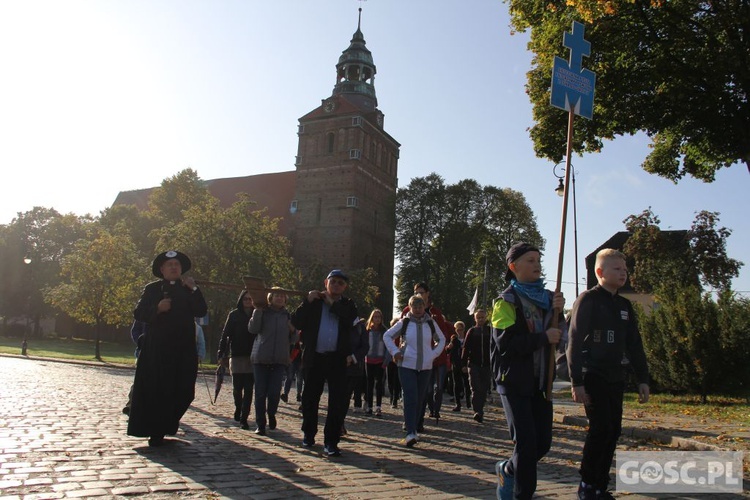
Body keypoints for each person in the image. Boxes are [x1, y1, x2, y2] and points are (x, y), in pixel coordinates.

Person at [567, 249, 650, 500]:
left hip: (616, 376)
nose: (623, 273)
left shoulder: (624, 305)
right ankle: (587, 484)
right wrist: (576, 381)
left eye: (625, 270)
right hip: (593, 375)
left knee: (613, 430)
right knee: (600, 428)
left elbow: (634, 344)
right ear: (600, 273)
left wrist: (643, 378)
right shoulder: (588, 300)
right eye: (617, 269)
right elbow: (573, 340)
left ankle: (601, 486)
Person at [490, 243, 565, 499]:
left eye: (538, 260)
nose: (537, 265)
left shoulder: (548, 299)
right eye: (530, 260)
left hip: (542, 381)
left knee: (542, 444)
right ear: (514, 267)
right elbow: (506, 344)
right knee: (526, 445)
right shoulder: (504, 302)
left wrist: (559, 311)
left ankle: (507, 469)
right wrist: (543, 338)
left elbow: (559, 336)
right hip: (513, 381)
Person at [127, 250, 208, 447]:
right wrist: (157, 309)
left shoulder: (188, 289)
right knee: (157, 391)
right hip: (158, 349)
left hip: (183, 349)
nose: (174, 267)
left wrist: (195, 290)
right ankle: (156, 431)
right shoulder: (152, 289)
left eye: (177, 265)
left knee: (185, 391)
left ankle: (169, 422)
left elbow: (201, 310)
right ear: (162, 269)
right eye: (170, 265)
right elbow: (139, 313)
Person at [291, 269, 358, 457]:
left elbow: (350, 322)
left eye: (340, 283)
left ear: (345, 287)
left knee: (337, 402)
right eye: (333, 281)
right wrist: (307, 301)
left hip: (338, 359)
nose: (336, 285)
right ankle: (309, 434)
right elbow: (297, 321)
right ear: (325, 283)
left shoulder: (348, 305)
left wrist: (331, 304)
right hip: (315, 357)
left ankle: (331, 441)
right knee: (310, 398)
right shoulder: (314, 303)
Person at [384, 294, 446, 448]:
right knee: (411, 396)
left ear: (425, 306)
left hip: (425, 366)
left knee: (420, 398)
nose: (418, 309)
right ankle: (410, 432)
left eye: (420, 306)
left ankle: (414, 426)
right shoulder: (404, 322)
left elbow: (442, 339)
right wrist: (394, 351)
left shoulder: (430, 323)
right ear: (410, 307)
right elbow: (387, 335)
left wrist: (433, 354)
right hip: (406, 365)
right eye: (415, 306)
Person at [402, 282, 453, 426]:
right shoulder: (407, 311)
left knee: (426, 391)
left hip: (429, 360)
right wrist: (398, 353)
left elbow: (442, 335)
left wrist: (435, 354)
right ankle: (410, 420)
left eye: (421, 292)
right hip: (410, 359)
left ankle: (418, 420)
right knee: (410, 391)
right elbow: (399, 333)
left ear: (427, 294)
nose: (419, 295)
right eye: (416, 292)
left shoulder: (435, 313)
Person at [249, 287, 295, 436]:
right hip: (261, 357)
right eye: (277, 295)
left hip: (279, 360)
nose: (280, 298)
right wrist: (257, 312)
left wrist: (293, 330)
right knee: (261, 393)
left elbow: (295, 340)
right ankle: (260, 424)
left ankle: (271, 413)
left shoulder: (288, 316)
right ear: (270, 297)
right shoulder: (263, 312)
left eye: (282, 296)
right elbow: (253, 329)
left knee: (274, 393)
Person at [217, 290, 256, 430]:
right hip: (237, 355)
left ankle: (244, 418)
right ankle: (238, 408)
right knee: (237, 388)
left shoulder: (256, 314)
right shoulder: (234, 315)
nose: (247, 301)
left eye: (250, 299)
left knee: (249, 389)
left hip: (252, 356)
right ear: (241, 300)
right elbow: (225, 335)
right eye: (245, 298)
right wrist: (221, 353)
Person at [461, 309, 492, 422]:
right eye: (478, 317)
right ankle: (477, 411)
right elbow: (466, 348)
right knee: (475, 387)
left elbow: (494, 347)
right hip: (473, 364)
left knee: (483, 388)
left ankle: (481, 409)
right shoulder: (472, 331)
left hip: (487, 365)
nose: (480, 319)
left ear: (486, 318)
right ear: (475, 318)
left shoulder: (490, 331)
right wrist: (463, 364)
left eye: (482, 317)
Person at [342, 317, 369, 434]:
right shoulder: (339, 322)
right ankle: (337, 422)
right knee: (337, 396)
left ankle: (339, 422)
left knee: (346, 395)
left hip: (353, 367)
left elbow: (365, 347)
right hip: (337, 364)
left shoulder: (360, 328)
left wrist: (352, 358)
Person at [364, 309, 388, 417]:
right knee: (369, 384)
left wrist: (386, 361)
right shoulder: (368, 330)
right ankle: (369, 406)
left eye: (379, 317)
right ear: (372, 318)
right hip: (368, 360)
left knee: (379, 384)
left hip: (380, 361)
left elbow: (388, 348)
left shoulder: (385, 331)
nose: (377, 319)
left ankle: (378, 406)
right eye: (375, 317)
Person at [447, 320, 471, 412]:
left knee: (467, 383)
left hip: (465, 364)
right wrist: (449, 347)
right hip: (456, 364)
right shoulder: (453, 339)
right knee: (456, 384)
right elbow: (448, 351)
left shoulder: (467, 339)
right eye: (458, 329)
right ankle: (458, 404)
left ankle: (468, 401)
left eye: (461, 329)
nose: (459, 331)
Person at [281, 331, 303, 404]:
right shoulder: (298, 334)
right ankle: (296, 394)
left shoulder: (298, 334)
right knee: (297, 378)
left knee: (293, 377)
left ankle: (289, 394)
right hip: (296, 359)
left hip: (296, 359)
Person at [386, 317, 402, 408]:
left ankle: (395, 399)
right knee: (390, 381)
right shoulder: (389, 335)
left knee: (396, 381)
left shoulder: (401, 335)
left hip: (397, 360)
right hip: (389, 360)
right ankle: (392, 396)